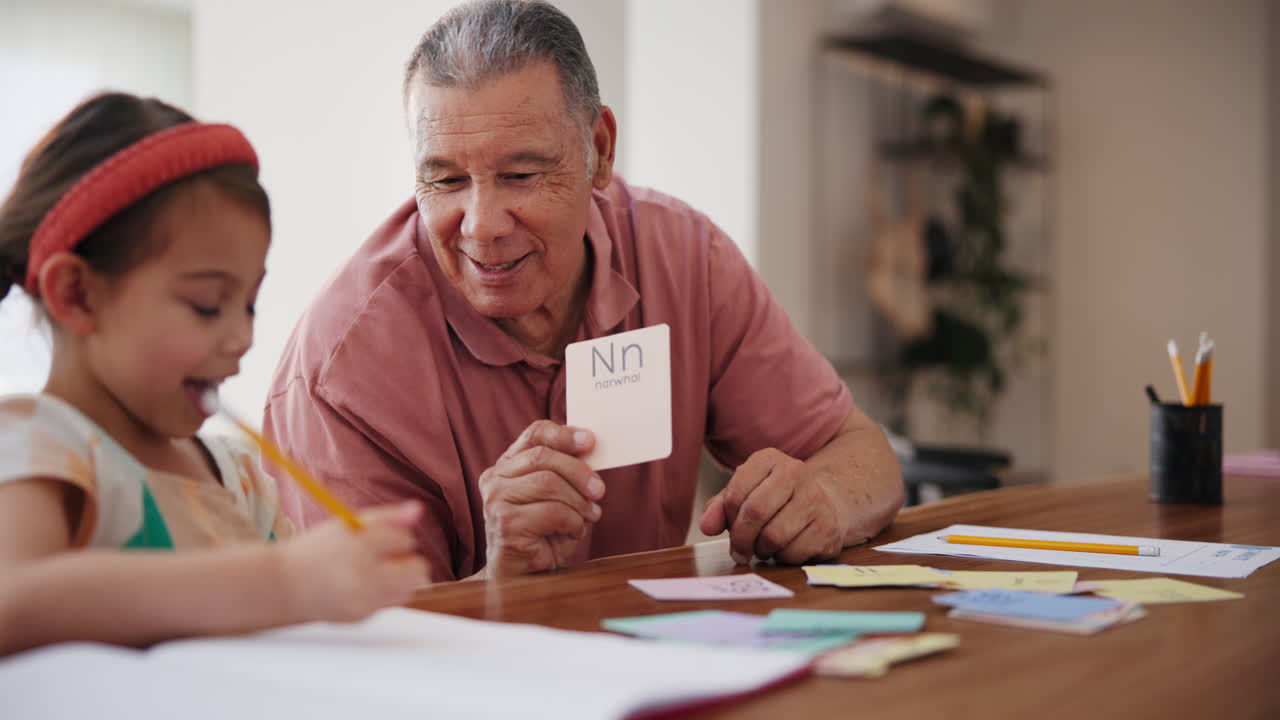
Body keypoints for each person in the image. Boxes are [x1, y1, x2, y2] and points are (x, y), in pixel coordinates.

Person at [265, 0, 903, 583]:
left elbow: (862, 455)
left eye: (521, 174)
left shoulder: (683, 257)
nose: (481, 226)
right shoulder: (340, 370)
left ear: (598, 150)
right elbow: (361, 655)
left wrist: (826, 498)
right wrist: (499, 577)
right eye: (446, 181)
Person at [0, 92, 427, 657]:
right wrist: (282, 582)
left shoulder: (238, 478)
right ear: (76, 294)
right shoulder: (39, 447)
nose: (242, 338)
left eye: (248, 305)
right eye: (207, 305)